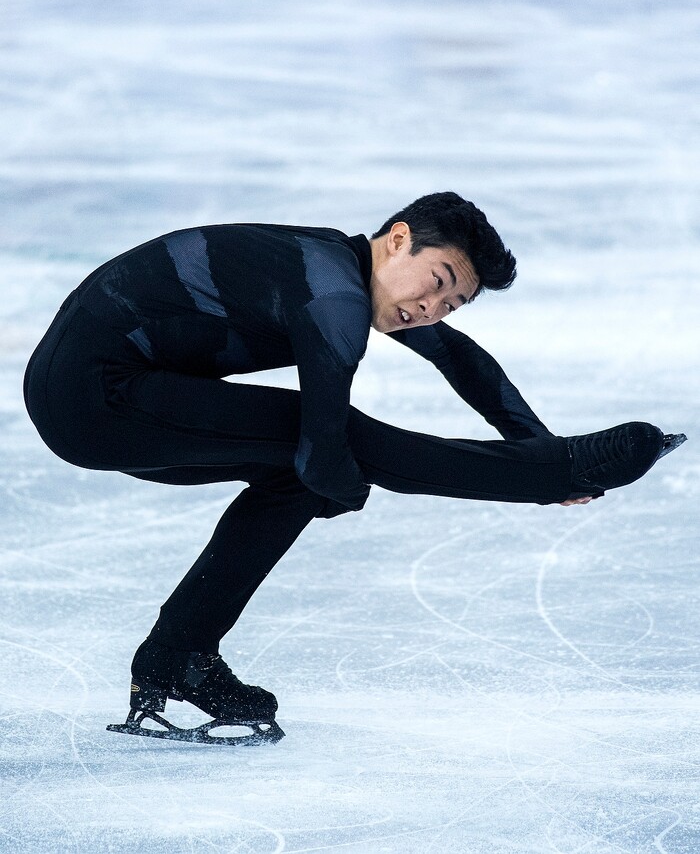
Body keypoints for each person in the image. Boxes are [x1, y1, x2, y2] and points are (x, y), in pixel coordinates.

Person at [23, 191, 685, 745]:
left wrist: (535, 442)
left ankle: (178, 660)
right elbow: (328, 447)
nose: (432, 309)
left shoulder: (336, 271)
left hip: (100, 394)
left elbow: (460, 360)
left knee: (297, 474)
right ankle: (554, 469)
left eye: (451, 304)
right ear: (398, 241)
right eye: (439, 284)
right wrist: (556, 472)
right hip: (96, 395)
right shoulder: (335, 294)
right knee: (343, 447)